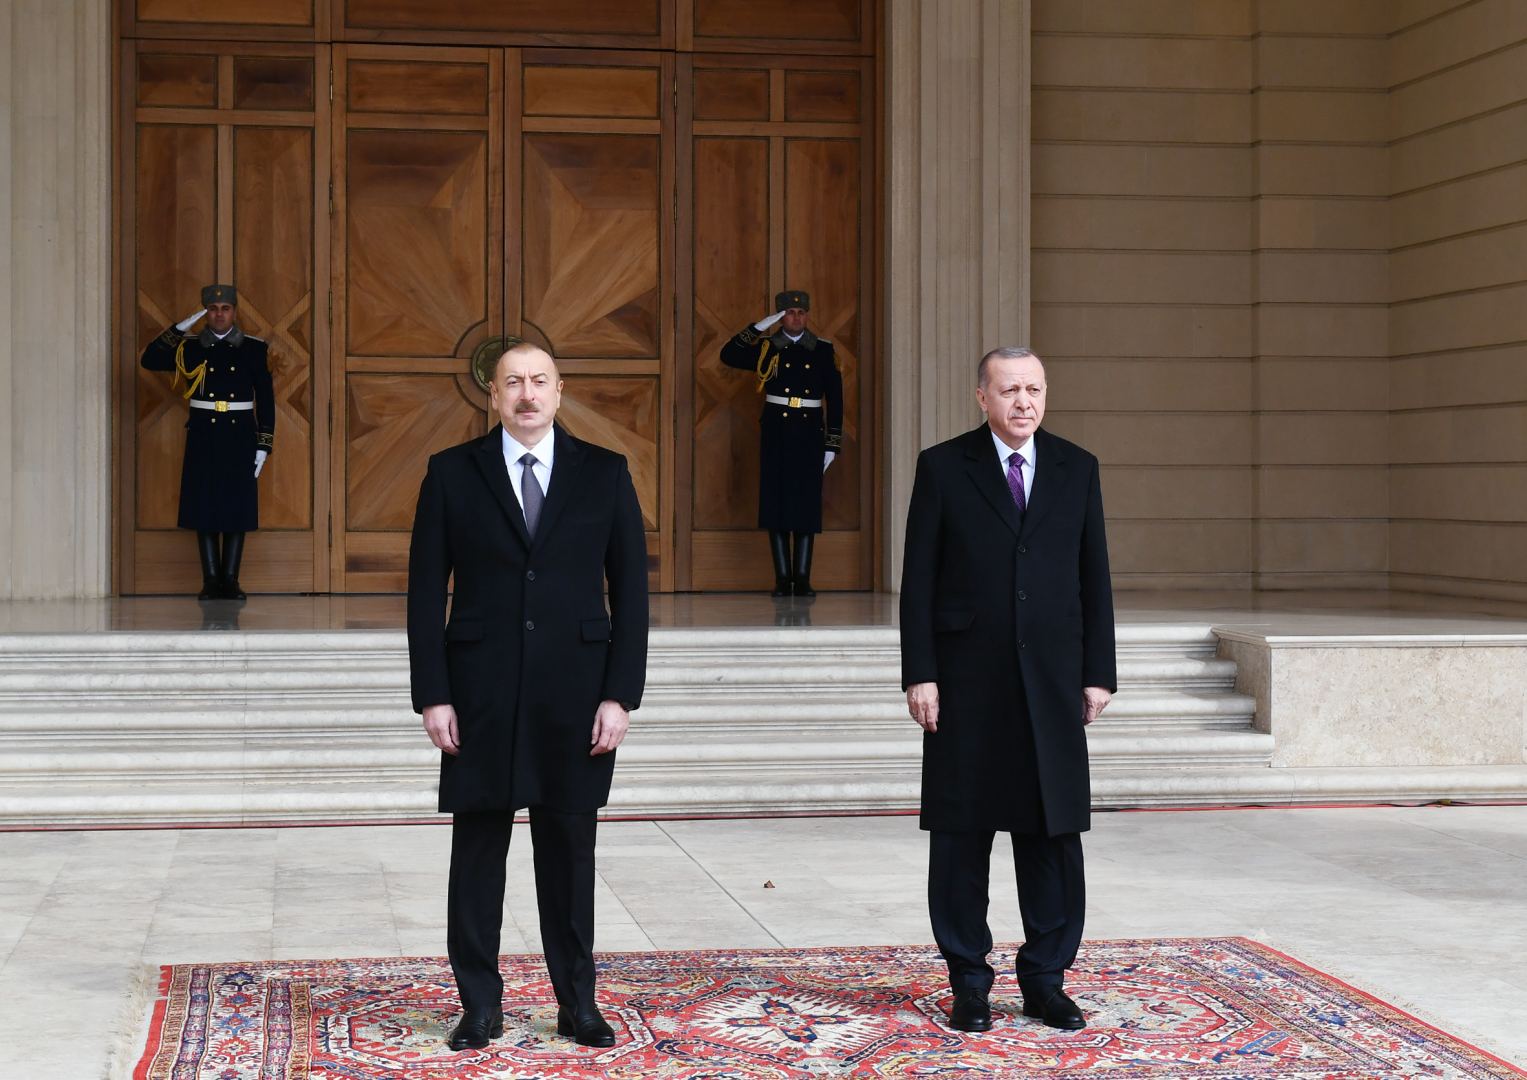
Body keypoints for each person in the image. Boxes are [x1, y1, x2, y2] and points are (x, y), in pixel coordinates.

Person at [406, 342, 649, 1052]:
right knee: (477, 855)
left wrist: (620, 696)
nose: (526, 394)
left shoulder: (604, 473)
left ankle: (578, 1003)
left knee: (570, 854)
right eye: (512, 382)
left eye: (539, 381)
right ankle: (477, 1005)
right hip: (478, 695)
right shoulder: (451, 473)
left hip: (575, 696)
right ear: (492, 395)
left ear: (560, 391)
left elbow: (630, 592)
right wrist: (433, 694)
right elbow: (426, 595)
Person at [899, 346, 1116, 1033]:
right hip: (966, 683)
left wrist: (1098, 672)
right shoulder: (941, 468)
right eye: (1009, 390)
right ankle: (968, 980)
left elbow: (1094, 578)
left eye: (1033, 389)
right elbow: (919, 582)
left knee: (1050, 833)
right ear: (981, 398)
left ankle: (1045, 979)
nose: (1023, 402)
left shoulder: (1076, 468)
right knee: (961, 836)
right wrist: (920, 672)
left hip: (1052, 681)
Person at [139, 284, 274, 600]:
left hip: (240, 434)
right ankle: (211, 581)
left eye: (225, 308)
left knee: (237, 509)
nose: (219, 314)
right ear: (205, 313)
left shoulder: (254, 349)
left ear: (234, 312)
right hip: (204, 433)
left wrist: (264, 443)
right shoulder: (190, 347)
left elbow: (266, 400)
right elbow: (150, 359)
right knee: (206, 506)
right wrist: (179, 328)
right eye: (212, 309)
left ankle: (231, 580)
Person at [719, 289, 843, 596]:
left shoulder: (823, 350)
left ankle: (801, 577)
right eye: (788, 313)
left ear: (807, 315)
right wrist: (759, 327)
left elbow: (836, 400)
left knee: (806, 503)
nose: (796, 318)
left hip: (809, 432)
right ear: (780, 316)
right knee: (776, 502)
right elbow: (728, 354)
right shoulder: (768, 348)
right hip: (777, 431)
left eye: (801, 313)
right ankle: (781, 578)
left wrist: (832, 443)